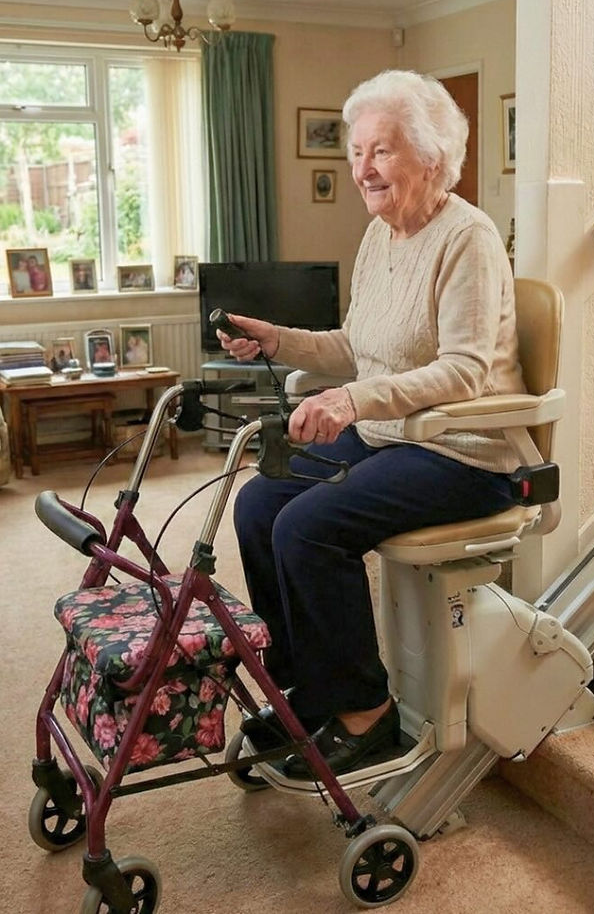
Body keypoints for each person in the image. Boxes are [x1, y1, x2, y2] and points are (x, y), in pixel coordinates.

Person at [217, 69, 526, 778]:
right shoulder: (381, 237)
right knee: (261, 503)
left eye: (381, 151)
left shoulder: (468, 239)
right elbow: (356, 348)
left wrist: (353, 401)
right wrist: (278, 339)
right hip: (394, 437)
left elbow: (464, 372)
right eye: (357, 152)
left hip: (464, 453)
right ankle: (305, 691)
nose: (362, 168)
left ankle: (366, 715)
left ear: (430, 155)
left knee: (308, 526)